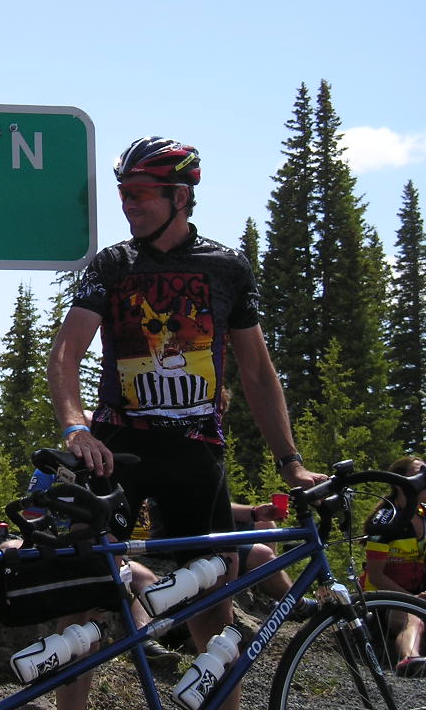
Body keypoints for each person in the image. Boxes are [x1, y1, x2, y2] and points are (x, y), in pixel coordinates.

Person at [48, 136, 327, 710]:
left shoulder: (225, 268)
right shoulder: (113, 265)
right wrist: (77, 428)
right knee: (84, 597)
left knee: (213, 606)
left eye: (141, 193)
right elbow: (65, 352)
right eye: (123, 193)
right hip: (118, 450)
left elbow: (256, 369)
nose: (128, 204)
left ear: (181, 196)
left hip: (198, 456)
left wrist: (290, 462)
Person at [5, 468, 182, 667]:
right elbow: (30, 518)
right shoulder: (47, 472)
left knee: (147, 578)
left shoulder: (100, 475)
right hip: (58, 545)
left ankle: (142, 639)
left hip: (98, 549)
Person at [361, 456, 426, 675]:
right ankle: (410, 659)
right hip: (385, 598)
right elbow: (376, 576)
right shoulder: (385, 520)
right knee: (410, 614)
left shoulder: (424, 516)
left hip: (417, 592)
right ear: (400, 483)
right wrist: (411, 599)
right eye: (419, 472)